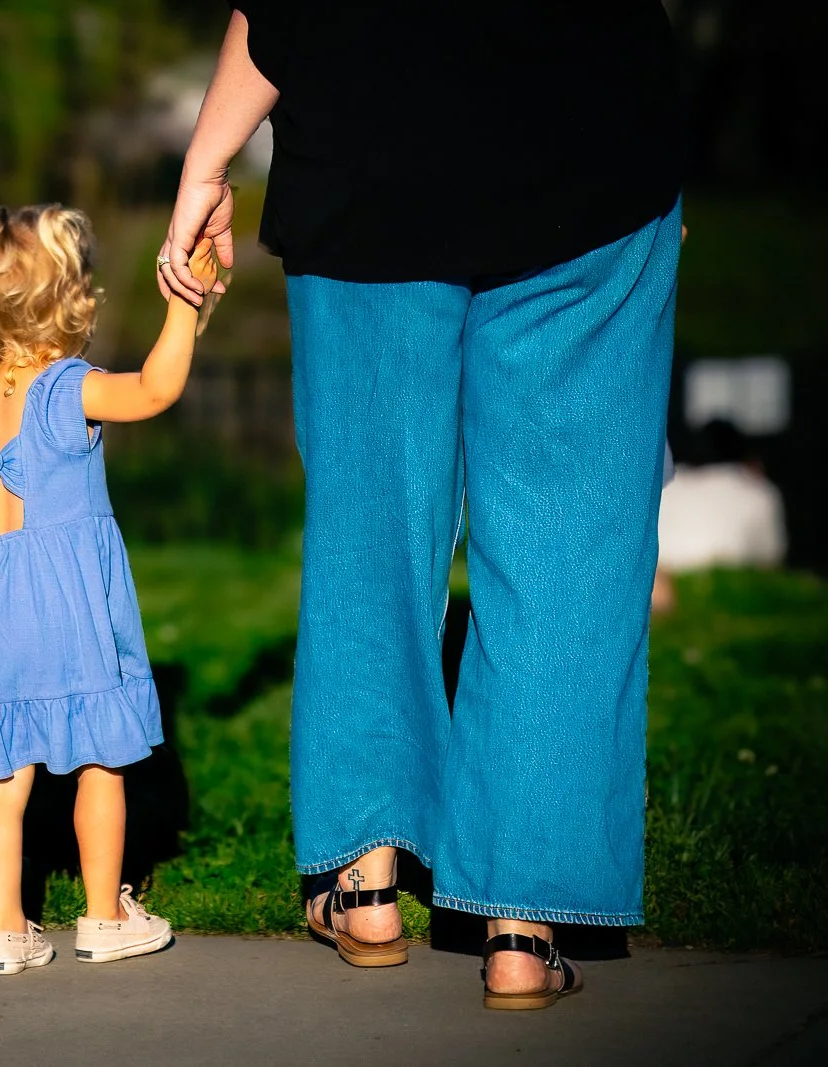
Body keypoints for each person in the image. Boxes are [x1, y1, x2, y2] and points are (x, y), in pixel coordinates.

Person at [159, 1, 682, 1009]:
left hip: (367, 165)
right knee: (564, 548)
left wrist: (205, 165)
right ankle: (523, 927)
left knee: (370, 532)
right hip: (590, 155)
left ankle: (363, 884)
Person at [0, 207, 218, 975]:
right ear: (76, 298)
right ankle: (102, 915)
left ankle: (6, 930)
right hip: (68, 610)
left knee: (0, 782)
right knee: (99, 761)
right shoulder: (68, 390)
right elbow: (154, 388)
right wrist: (186, 304)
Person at [658, 419, 788, 574]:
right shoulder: (759, 492)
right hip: (721, 591)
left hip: (661, 589)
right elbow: (771, 561)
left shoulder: (661, 486)